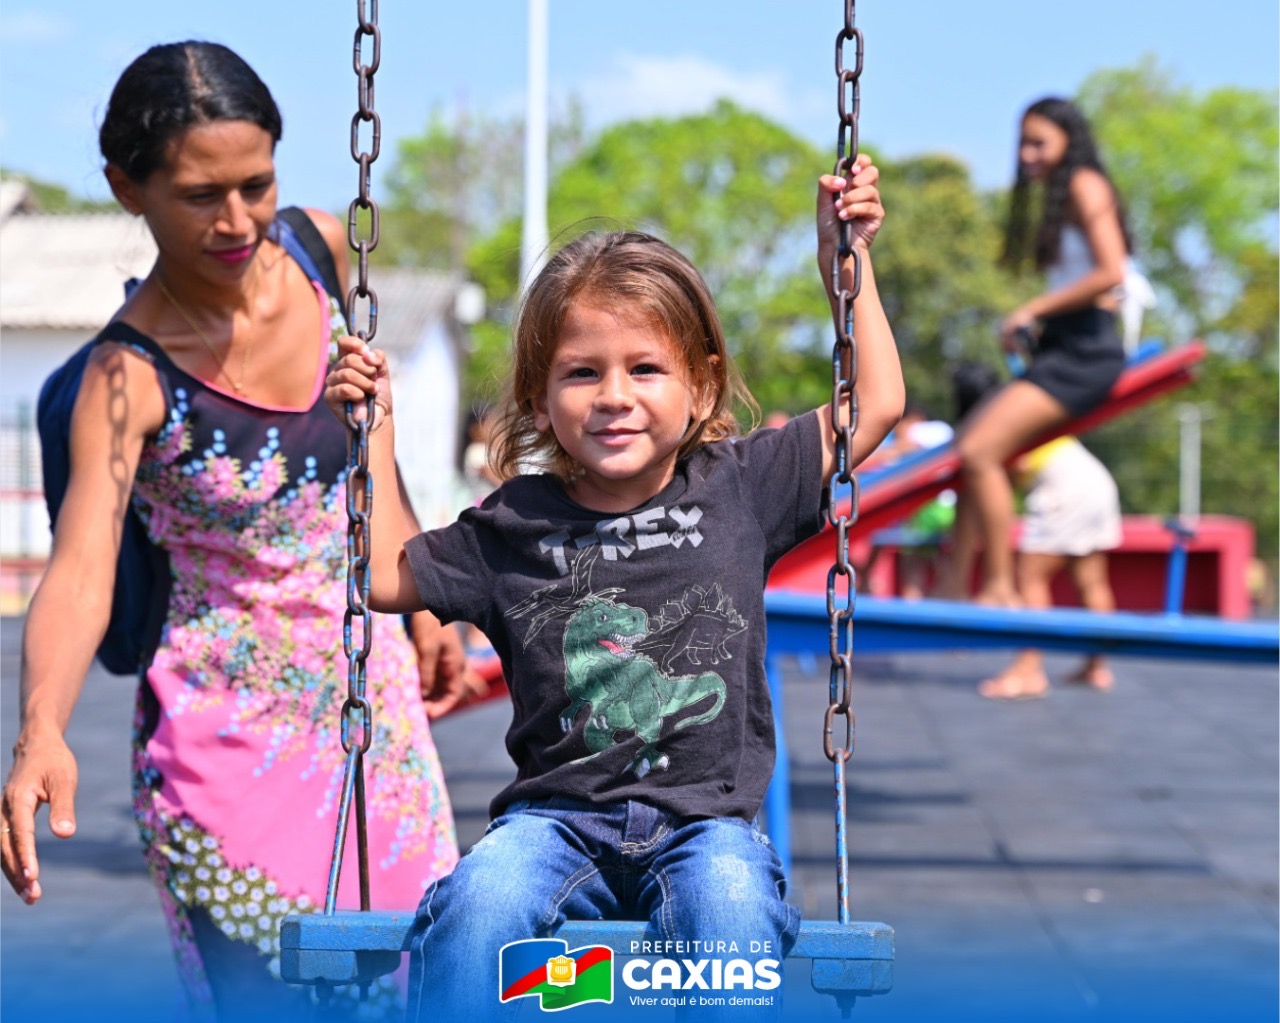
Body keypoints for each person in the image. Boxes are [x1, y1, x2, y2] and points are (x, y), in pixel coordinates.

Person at [322, 158, 903, 1018]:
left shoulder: (741, 485)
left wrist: (845, 266)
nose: (614, 397)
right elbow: (383, 574)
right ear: (538, 398)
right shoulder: (515, 522)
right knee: (478, 907)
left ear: (701, 384)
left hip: (706, 828)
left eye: (646, 369)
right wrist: (374, 430)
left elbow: (874, 405)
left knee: (732, 918)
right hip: (554, 824)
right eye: (582, 372)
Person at [0, 41, 468, 1020]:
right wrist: (40, 727)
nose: (237, 221)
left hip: (371, 715)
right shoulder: (125, 380)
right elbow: (80, 571)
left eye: (256, 184)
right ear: (127, 189)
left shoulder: (321, 251)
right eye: (199, 195)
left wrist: (424, 599)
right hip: (223, 746)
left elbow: (369, 447)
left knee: (420, 986)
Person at [942, 96, 1134, 606]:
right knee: (971, 445)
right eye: (1022, 143)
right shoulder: (1058, 195)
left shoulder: (1085, 184)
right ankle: (956, 583)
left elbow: (1113, 271)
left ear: (1069, 141)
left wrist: (1031, 310)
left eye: (1039, 143)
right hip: (1062, 346)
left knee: (979, 451)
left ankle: (999, 585)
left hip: (1086, 352)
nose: (1026, 154)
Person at [978, 433, 1122, 699]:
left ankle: (1027, 672)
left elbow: (1013, 468)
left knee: (1031, 575)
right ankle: (1096, 667)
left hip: (1065, 489)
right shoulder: (1042, 422)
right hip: (1097, 483)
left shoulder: (1001, 425)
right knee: (1092, 581)